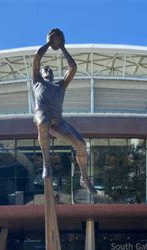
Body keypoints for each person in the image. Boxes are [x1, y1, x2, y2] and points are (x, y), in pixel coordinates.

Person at [32, 28, 97, 194]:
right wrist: (49, 42)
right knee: (43, 121)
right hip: (43, 115)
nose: (47, 69)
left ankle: (84, 179)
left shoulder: (60, 85)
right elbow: (38, 57)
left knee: (81, 145)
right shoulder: (37, 81)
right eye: (44, 68)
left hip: (58, 121)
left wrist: (61, 46)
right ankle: (47, 165)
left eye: (50, 68)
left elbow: (73, 67)